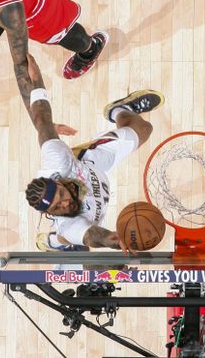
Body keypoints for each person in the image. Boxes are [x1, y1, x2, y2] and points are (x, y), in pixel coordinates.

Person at [21, 54, 165, 251]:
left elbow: (42, 121)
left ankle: (119, 110)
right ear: (49, 212)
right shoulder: (69, 223)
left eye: (62, 194)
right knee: (80, 248)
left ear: (58, 181)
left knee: (144, 129)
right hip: (82, 222)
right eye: (57, 208)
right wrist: (114, 241)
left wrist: (36, 80)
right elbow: (93, 236)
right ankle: (54, 241)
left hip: (90, 164)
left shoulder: (58, 162)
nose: (65, 203)